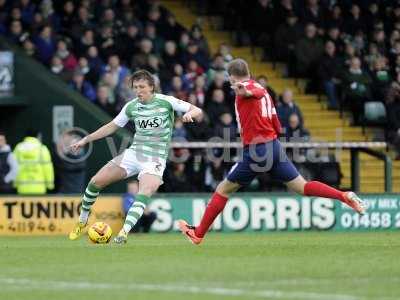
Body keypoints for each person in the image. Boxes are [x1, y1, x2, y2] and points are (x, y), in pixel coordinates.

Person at [178, 58, 366, 245]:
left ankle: (199, 234)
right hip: (273, 145)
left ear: (232, 77)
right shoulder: (265, 92)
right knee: (302, 187)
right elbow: (276, 121)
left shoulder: (249, 89)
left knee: (223, 189)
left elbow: (254, 91)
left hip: (257, 150)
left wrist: (246, 89)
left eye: (230, 79)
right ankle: (343, 195)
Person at [68, 70, 202, 244]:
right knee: (95, 182)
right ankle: (82, 220)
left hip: (155, 158)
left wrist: (189, 114)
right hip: (134, 154)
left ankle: (123, 232)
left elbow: (196, 109)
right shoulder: (131, 106)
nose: (138, 91)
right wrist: (86, 139)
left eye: (142, 87)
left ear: (151, 87)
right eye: (135, 87)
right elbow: (111, 126)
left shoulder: (166, 101)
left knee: (144, 192)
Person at [13, 129, 54, 195]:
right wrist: (50, 185)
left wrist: (15, 184)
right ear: (38, 136)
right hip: (39, 188)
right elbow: (47, 168)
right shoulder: (42, 148)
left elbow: (13, 168)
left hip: (22, 188)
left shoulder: (18, 148)